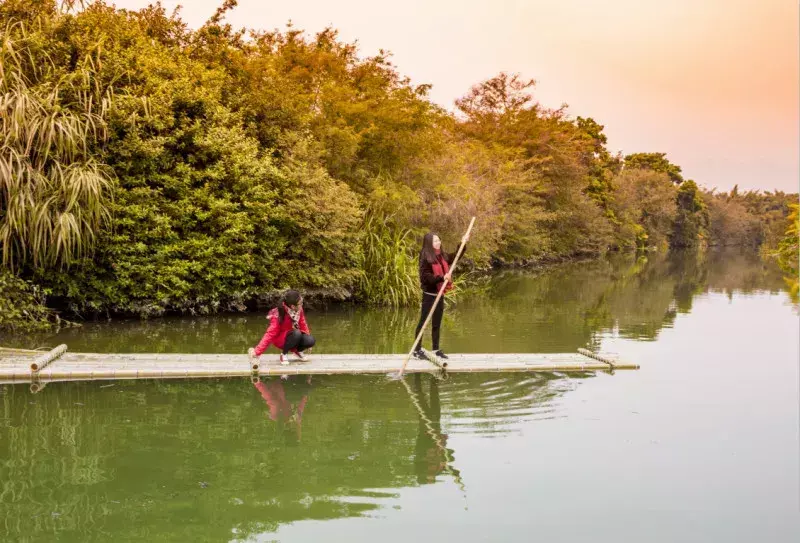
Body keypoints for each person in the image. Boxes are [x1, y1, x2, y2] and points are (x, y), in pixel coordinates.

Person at [413, 231, 469, 359]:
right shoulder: (425, 256)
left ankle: (436, 350)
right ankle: (417, 351)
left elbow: (455, 257)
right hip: (429, 294)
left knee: (436, 323)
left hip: (440, 293)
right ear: (429, 243)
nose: (438, 243)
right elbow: (425, 277)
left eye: (439, 240)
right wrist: (442, 278)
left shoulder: (441, 255)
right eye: (435, 241)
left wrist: (463, 243)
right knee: (423, 322)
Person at [249, 290, 315, 365]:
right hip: (281, 339)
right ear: (292, 306)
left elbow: (303, 323)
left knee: (310, 340)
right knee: (297, 333)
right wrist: (257, 352)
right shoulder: (278, 314)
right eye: (300, 304)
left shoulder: (299, 310)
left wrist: (307, 337)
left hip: (295, 335)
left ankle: (298, 352)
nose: (302, 305)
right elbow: (269, 334)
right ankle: (284, 354)